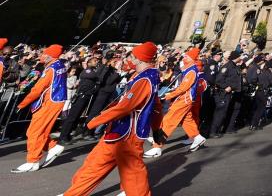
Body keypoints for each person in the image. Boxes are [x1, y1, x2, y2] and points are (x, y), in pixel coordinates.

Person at [57, 42, 162, 196]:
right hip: (118, 130)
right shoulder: (144, 76)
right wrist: (157, 128)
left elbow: (125, 107)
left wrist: (94, 121)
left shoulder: (145, 79)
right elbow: (156, 106)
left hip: (129, 134)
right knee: (93, 164)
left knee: (133, 173)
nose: (128, 59)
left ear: (140, 58)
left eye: (132, 56)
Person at [12, 44, 67, 173]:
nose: (41, 56)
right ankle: (53, 147)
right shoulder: (59, 65)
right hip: (54, 101)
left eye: (44, 54)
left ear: (49, 56)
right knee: (36, 131)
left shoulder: (50, 69)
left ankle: (32, 161)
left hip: (50, 103)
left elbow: (37, 90)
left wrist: (22, 104)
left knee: (35, 132)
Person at [144, 47, 206, 157]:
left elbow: (183, 88)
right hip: (183, 99)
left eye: (187, 56)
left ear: (192, 59)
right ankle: (197, 137)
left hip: (184, 100)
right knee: (187, 120)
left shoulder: (191, 71)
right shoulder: (189, 69)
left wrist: (169, 95)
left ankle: (157, 147)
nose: (184, 57)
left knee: (168, 121)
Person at [59, 55, 101, 144]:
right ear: (88, 63)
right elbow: (95, 76)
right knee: (72, 117)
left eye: (97, 61)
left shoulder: (94, 72)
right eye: (94, 61)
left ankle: (67, 135)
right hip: (80, 96)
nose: (96, 62)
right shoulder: (87, 71)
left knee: (76, 117)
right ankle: (63, 136)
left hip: (85, 96)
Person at [211, 50, 243, 136]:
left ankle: (221, 129)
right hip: (223, 93)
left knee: (224, 112)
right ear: (236, 57)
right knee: (220, 112)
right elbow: (219, 80)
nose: (241, 58)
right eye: (239, 56)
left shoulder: (234, 66)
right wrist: (226, 87)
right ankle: (213, 131)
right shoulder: (228, 66)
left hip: (231, 93)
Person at [249, 56, 272, 130]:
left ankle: (252, 124)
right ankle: (255, 125)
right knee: (260, 109)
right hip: (264, 92)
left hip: (258, 90)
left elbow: (253, 79)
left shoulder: (259, 71)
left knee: (257, 108)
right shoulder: (269, 73)